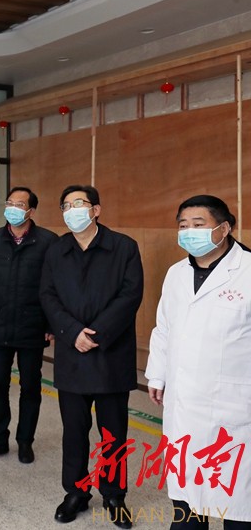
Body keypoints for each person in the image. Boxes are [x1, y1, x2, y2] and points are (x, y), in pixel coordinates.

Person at [39, 185, 143, 529]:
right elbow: (47, 295)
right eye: (66, 205)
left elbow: (130, 295)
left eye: (79, 204)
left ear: (96, 210)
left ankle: (114, 494)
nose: (72, 211)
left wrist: (95, 334)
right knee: (74, 430)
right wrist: (72, 332)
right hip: (72, 354)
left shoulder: (123, 247)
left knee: (113, 432)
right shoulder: (56, 250)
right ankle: (76, 492)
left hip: (111, 354)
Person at [146, 195, 251, 529]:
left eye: (198, 224)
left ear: (225, 228)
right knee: (187, 501)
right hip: (184, 406)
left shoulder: (247, 271)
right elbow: (164, 327)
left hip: (234, 407)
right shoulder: (176, 273)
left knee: (237, 503)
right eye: (183, 225)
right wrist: (157, 376)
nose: (189, 232)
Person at [0, 187, 58, 464]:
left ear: (31, 210)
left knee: (30, 387)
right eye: (9, 202)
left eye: (19, 204)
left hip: (33, 325)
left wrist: (51, 323)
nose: (13, 208)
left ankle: (25, 441)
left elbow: (54, 286)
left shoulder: (48, 241)